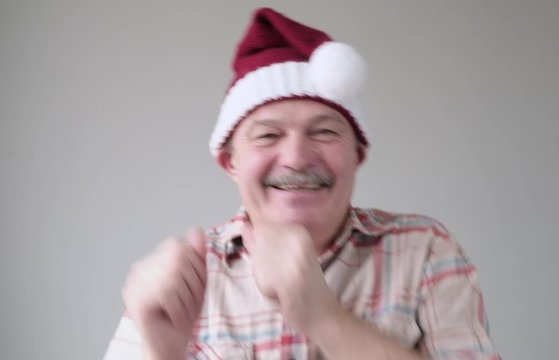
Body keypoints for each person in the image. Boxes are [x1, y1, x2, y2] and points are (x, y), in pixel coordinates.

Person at [104, 7, 501, 360]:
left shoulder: (425, 251)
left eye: (325, 132)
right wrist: (162, 353)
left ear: (357, 154)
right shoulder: (180, 280)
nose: (296, 157)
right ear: (231, 162)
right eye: (267, 135)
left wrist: (324, 317)